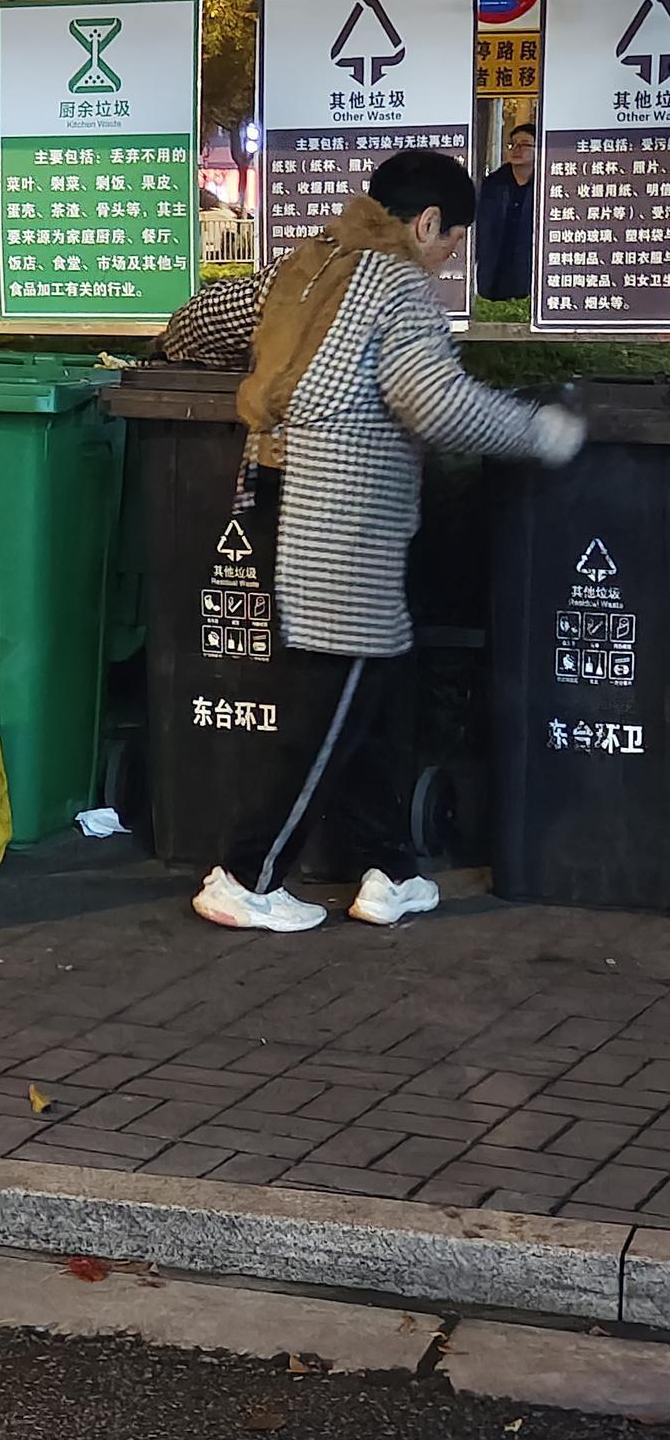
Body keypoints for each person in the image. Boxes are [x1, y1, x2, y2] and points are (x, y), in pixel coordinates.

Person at [159, 149, 583, 935]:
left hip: (275, 494)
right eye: (454, 241)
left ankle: (388, 869)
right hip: (342, 517)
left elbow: (191, 326)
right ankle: (247, 874)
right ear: (427, 224)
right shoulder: (397, 285)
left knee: (372, 687)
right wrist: (542, 432)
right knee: (334, 693)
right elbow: (436, 405)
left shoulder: (308, 268)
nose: (450, 258)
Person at [476, 123, 536, 300]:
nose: (516, 149)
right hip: (496, 267)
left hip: (530, 269)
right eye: (512, 144)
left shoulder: (547, 184)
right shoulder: (493, 183)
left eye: (524, 144)